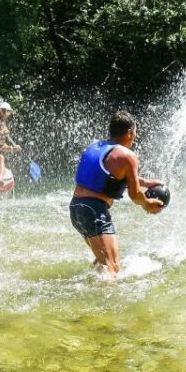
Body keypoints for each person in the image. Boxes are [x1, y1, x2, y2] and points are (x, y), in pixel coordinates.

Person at [69, 111, 164, 275]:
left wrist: (145, 182)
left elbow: (108, 174)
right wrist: (148, 204)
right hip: (93, 210)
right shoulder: (128, 156)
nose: (135, 135)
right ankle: (99, 300)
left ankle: (88, 290)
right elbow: (135, 195)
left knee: (103, 262)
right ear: (129, 132)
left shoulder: (96, 146)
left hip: (77, 208)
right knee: (112, 267)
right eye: (135, 131)